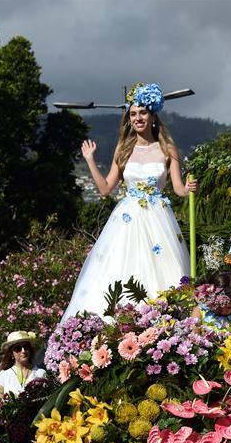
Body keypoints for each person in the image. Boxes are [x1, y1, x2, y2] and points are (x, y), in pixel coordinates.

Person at [63, 83, 193, 320]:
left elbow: (179, 189)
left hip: (158, 219)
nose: (137, 118)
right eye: (133, 114)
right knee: (121, 267)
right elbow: (105, 189)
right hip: (127, 219)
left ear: (152, 116)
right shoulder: (123, 149)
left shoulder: (168, 150)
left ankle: (163, 322)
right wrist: (90, 160)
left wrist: (189, 188)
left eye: (142, 112)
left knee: (162, 270)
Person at [0, 332, 46, 396]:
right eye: (18, 348)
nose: (23, 351)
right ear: (11, 353)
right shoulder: (3, 376)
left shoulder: (41, 373)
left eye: (26, 347)